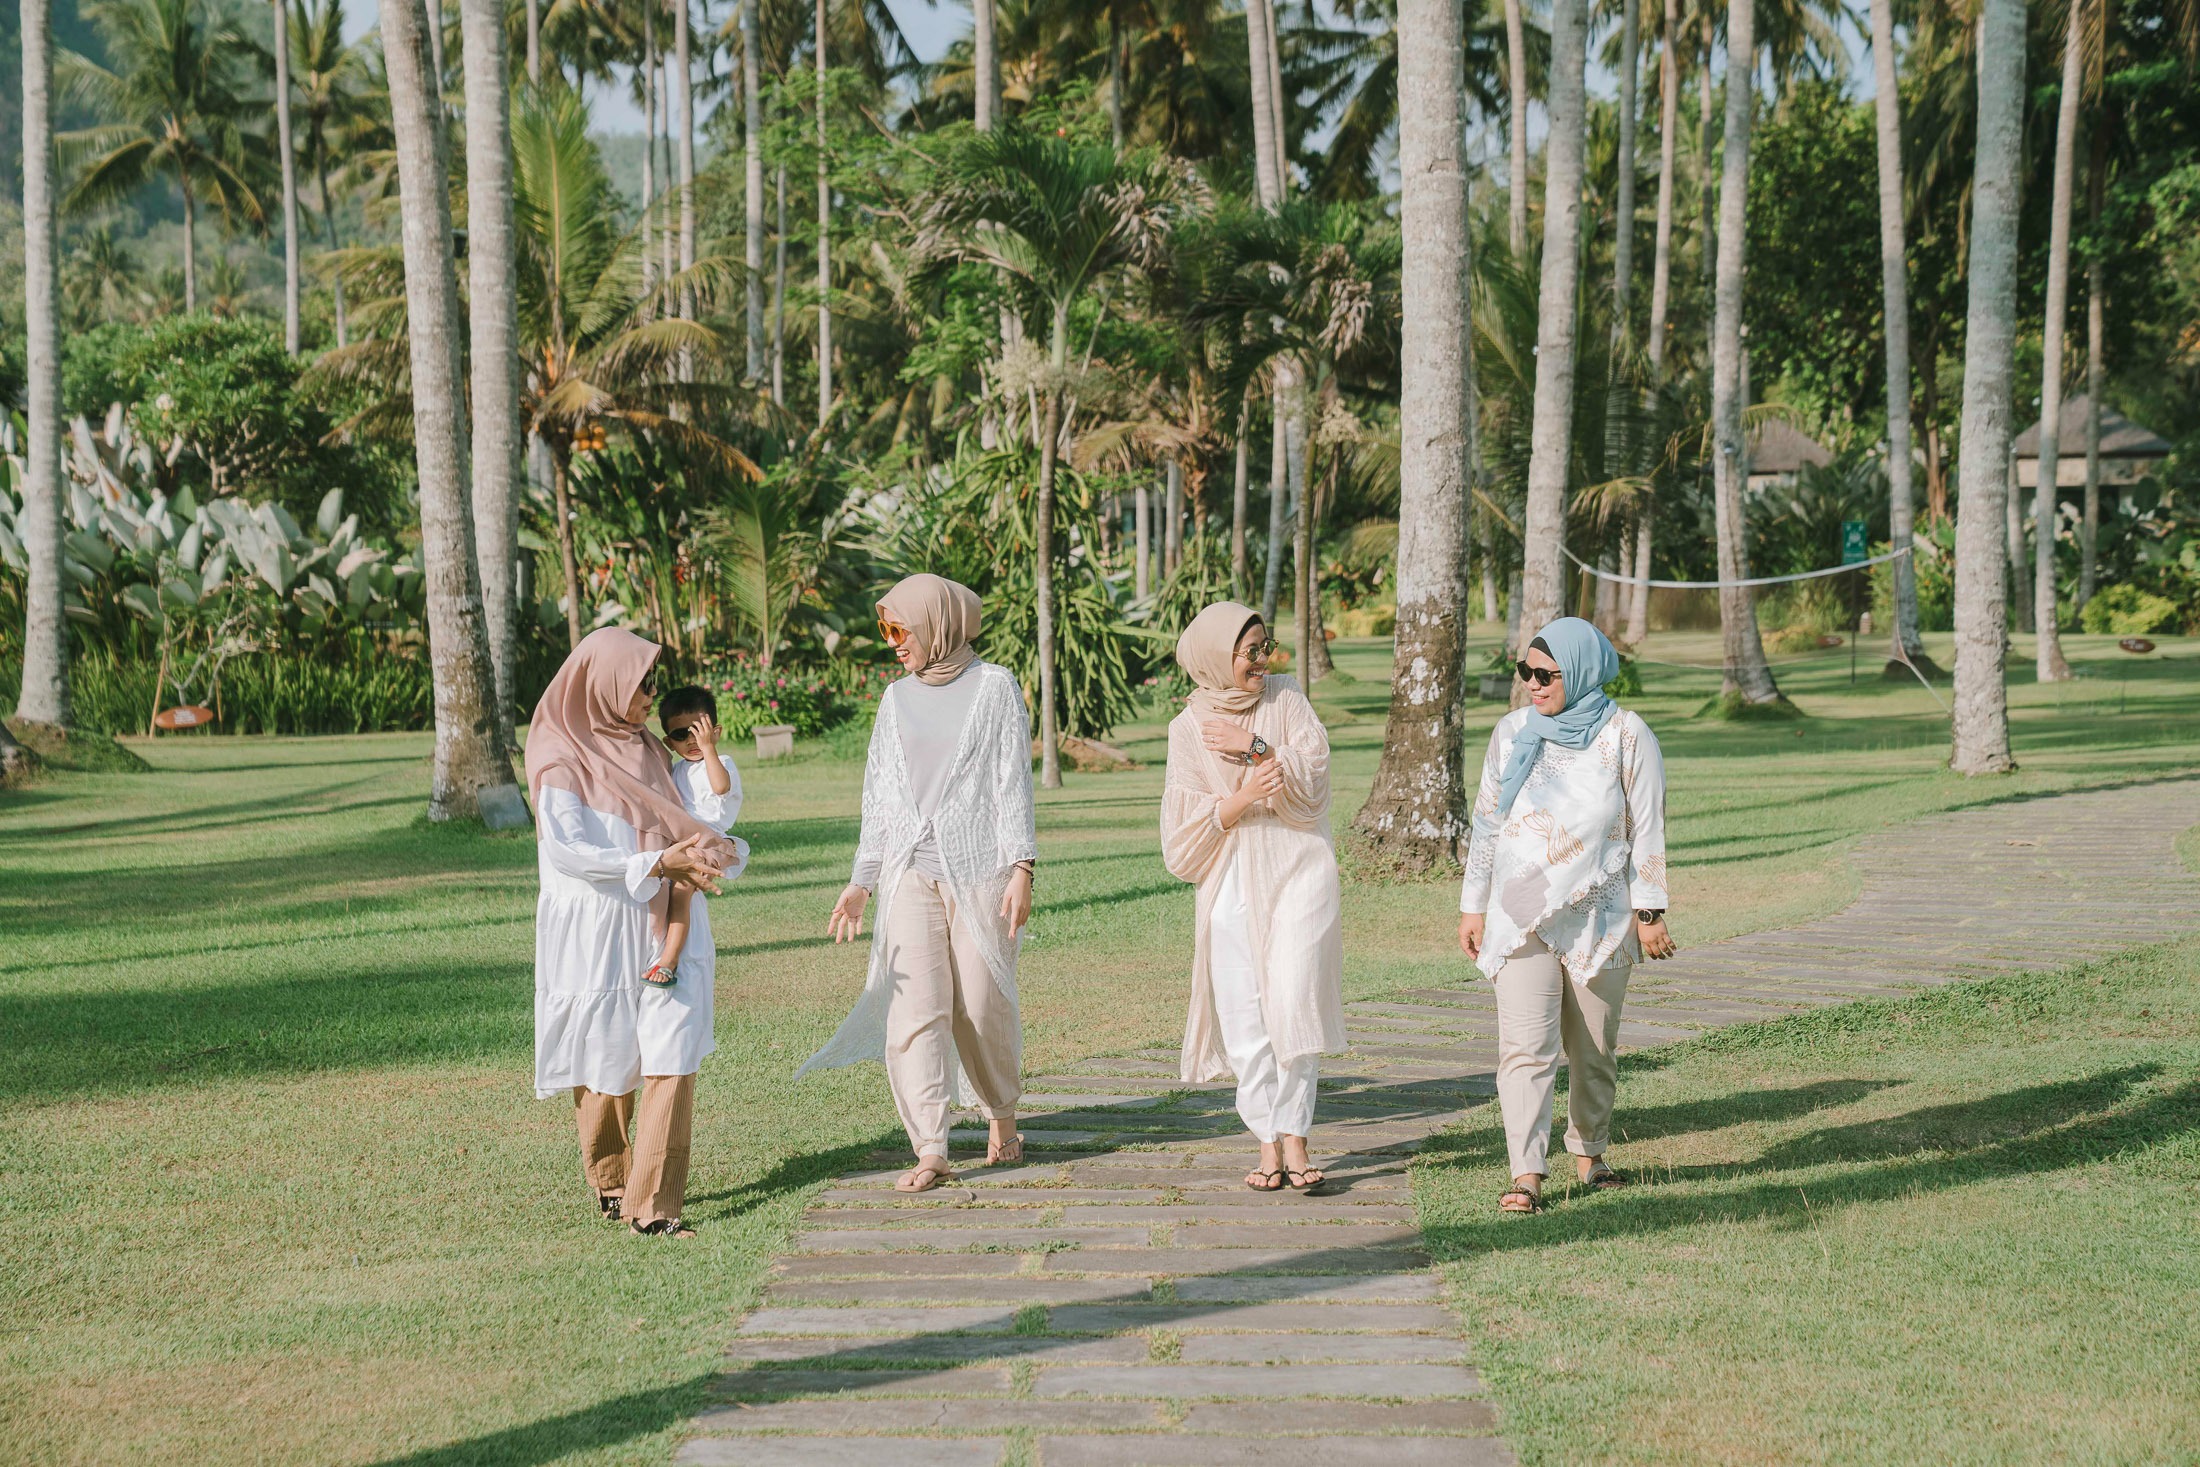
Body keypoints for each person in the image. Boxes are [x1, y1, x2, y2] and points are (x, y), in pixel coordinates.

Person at [801, 574, 1036, 1194]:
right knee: (915, 1010)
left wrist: (1023, 867)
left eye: (899, 628)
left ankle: (1002, 1119)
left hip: (980, 869)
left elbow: (1012, 781)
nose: (892, 641)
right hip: (909, 871)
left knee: (981, 1003)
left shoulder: (994, 687)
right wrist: (862, 880)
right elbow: (879, 798)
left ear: (937, 623)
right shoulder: (894, 697)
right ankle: (931, 1147)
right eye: (886, 629)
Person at [527, 629, 748, 1238]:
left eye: (653, 682)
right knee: (605, 1058)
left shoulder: (652, 751)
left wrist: (717, 852)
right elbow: (569, 852)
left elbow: (696, 819)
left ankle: (654, 1207)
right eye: (642, 683)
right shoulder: (560, 754)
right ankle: (612, 1179)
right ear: (604, 685)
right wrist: (655, 864)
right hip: (599, 928)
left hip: (668, 918)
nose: (652, 695)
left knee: (672, 1055)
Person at [1457, 617, 1674, 1216]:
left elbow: (1648, 826)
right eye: (1525, 672)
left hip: (1600, 912)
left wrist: (1650, 910)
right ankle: (1526, 1172)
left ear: (1579, 671)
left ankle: (1590, 1152)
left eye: (1546, 674)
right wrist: (1473, 904)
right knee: (1525, 1046)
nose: (1533, 683)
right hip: (1521, 908)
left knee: (1593, 1046)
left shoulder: (1627, 735)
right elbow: (1487, 822)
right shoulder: (1512, 732)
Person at [1160, 602, 1343, 1193]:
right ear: (1217, 658)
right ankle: (1266, 1140)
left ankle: (1296, 1138)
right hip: (1230, 882)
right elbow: (1181, 839)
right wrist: (1242, 798)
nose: (1264, 662)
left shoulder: (1285, 699)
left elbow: (1314, 776)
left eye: (1267, 648)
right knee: (1246, 1019)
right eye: (1250, 653)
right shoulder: (1187, 729)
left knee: (1294, 998)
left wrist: (1259, 748)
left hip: (1297, 870)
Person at [641, 685, 744, 989]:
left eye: (697, 731)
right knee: (669, 888)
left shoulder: (721, 762)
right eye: (680, 735)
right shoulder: (676, 770)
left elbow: (721, 787)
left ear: (715, 731)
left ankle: (669, 960)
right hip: (686, 843)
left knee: (682, 889)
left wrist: (709, 748)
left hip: (712, 842)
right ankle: (660, 950)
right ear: (668, 742)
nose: (691, 741)